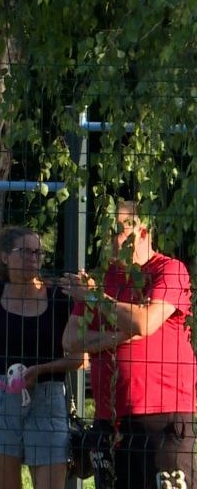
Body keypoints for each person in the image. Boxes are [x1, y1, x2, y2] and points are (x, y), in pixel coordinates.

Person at [61, 200, 197, 489]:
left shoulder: (169, 270)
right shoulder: (101, 279)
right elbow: (70, 340)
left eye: (118, 232)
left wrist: (94, 298)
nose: (110, 240)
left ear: (143, 232)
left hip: (161, 415)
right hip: (110, 419)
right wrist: (122, 334)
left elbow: (144, 322)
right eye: (107, 232)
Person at [0, 226, 80, 489]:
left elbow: (79, 358)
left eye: (37, 252)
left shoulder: (58, 298)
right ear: (4, 257)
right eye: (24, 252)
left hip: (48, 399)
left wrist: (40, 370)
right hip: (3, 399)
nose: (33, 258)